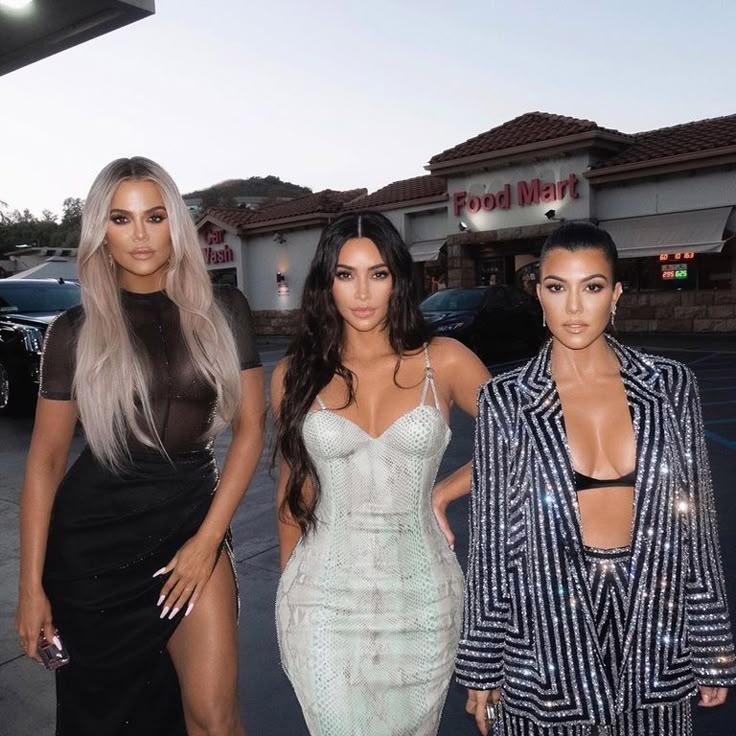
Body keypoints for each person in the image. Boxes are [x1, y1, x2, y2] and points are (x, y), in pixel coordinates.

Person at [15, 157, 265, 736]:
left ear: (174, 223)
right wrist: (31, 589)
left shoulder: (224, 312)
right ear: (101, 231)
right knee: (104, 722)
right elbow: (46, 463)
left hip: (190, 530)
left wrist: (207, 542)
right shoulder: (74, 331)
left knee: (214, 720)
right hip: (92, 554)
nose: (140, 235)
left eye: (153, 216)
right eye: (121, 219)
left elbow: (251, 427)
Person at [458, 221, 736, 735]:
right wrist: (482, 667)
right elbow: (493, 544)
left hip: (656, 632)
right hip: (544, 638)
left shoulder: (671, 386)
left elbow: (695, 523)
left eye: (593, 287)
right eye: (557, 287)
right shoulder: (506, 400)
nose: (574, 306)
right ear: (538, 293)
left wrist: (712, 642)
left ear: (616, 294)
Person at [271, 210, 490, 735]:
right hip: (320, 600)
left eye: (378, 274)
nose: (362, 292)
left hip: (422, 600)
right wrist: (288, 596)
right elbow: (292, 491)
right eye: (346, 275)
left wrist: (444, 493)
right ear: (327, 283)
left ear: (398, 279)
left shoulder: (446, 360)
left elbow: (529, 441)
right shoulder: (295, 374)